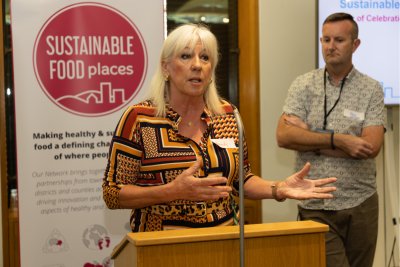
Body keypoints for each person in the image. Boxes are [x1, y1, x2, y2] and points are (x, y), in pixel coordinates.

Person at [103, 23, 336, 233]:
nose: (197, 65)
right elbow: (112, 194)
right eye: (185, 56)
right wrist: (171, 191)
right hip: (161, 247)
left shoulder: (227, 115)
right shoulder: (140, 119)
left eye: (205, 58)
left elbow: (240, 180)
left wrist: (279, 188)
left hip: (223, 242)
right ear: (166, 68)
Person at [276, 13, 385, 267]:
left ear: (355, 44)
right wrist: (341, 141)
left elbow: (369, 146)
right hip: (314, 203)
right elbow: (284, 136)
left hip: (361, 203)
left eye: (339, 40)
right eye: (326, 39)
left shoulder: (371, 89)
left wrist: (309, 137)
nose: (330, 46)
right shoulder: (303, 85)